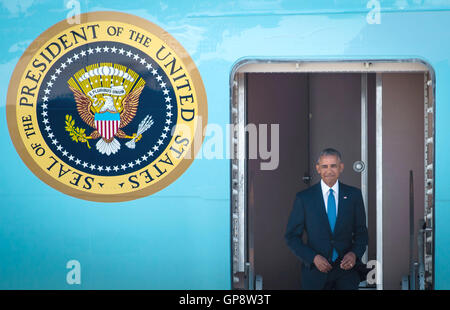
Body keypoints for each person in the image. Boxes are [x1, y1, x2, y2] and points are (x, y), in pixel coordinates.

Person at [285, 148, 368, 290]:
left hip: (346, 272)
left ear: (341, 167)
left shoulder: (354, 195)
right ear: (318, 168)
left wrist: (354, 254)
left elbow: (362, 232)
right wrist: (313, 258)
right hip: (315, 273)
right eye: (324, 166)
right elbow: (292, 237)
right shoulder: (304, 198)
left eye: (333, 166)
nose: (329, 170)